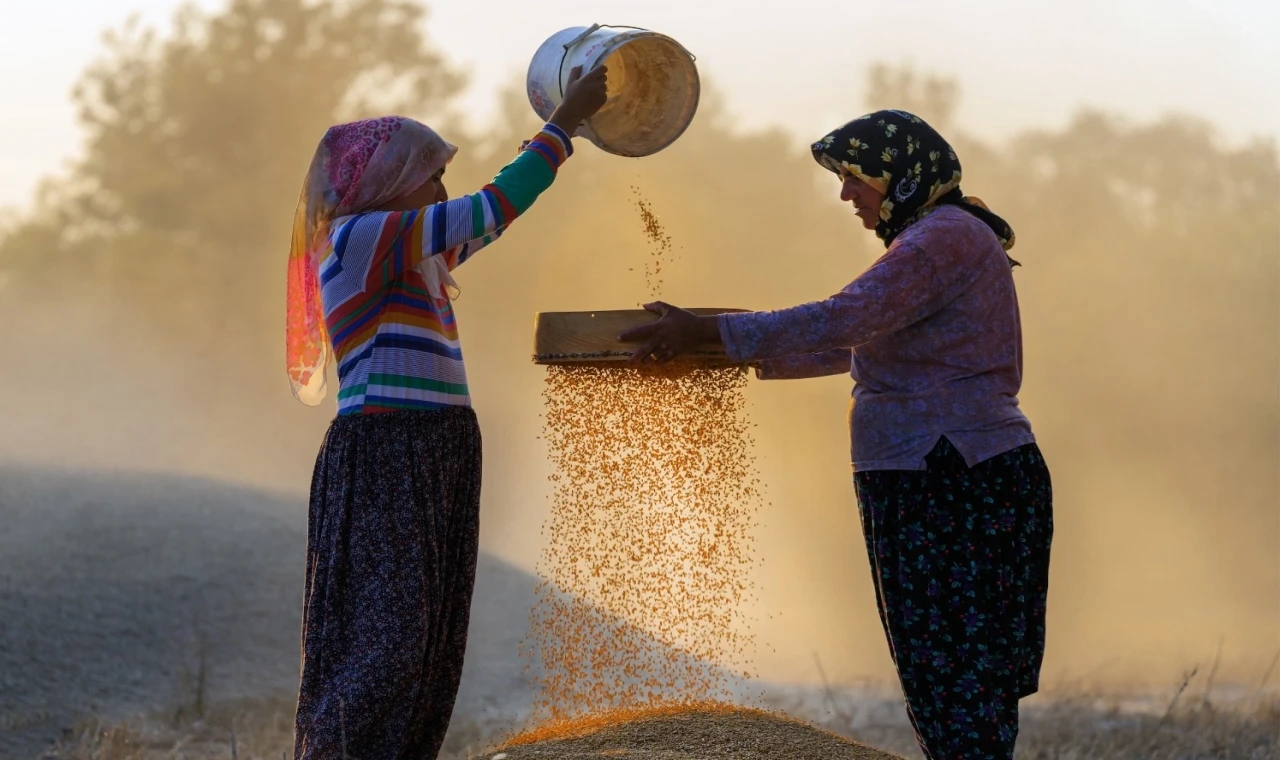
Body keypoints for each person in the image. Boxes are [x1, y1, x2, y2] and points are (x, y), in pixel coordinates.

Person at [620, 109, 1053, 760]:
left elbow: (844, 318)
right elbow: (859, 343)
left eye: (854, 177)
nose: (846, 193)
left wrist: (711, 333)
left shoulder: (943, 239)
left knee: (954, 677)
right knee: (956, 681)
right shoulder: (942, 239)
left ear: (899, 175)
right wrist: (722, 352)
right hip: (951, 469)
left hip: (947, 473)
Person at [283, 65, 608, 760]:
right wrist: (562, 128)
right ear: (385, 182)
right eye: (430, 175)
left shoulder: (412, 253)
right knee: (386, 645)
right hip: (387, 452)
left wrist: (554, 137)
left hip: (438, 451)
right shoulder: (360, 238)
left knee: (431, 642)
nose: (441, 191)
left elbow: (491, 218)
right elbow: (492, 206)